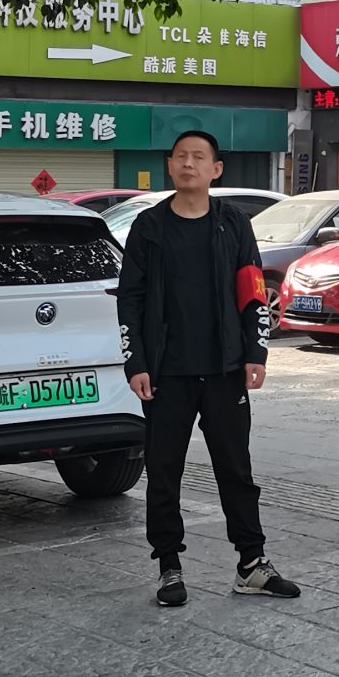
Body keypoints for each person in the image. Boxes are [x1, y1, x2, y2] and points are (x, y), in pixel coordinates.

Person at [116, 130, 300, 608]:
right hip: (167, 373)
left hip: (224, 369)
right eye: (180, 156)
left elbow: (253, 291)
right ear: (169, 165)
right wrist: (136, 361)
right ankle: (168, 566)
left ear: (216, 169)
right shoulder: (149, 227)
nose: (188, 164)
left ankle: (252, 564)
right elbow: (130, 299)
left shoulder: (233, 223)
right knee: (164, 471)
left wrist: (256, 352)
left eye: (199, 157)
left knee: (236, 469)